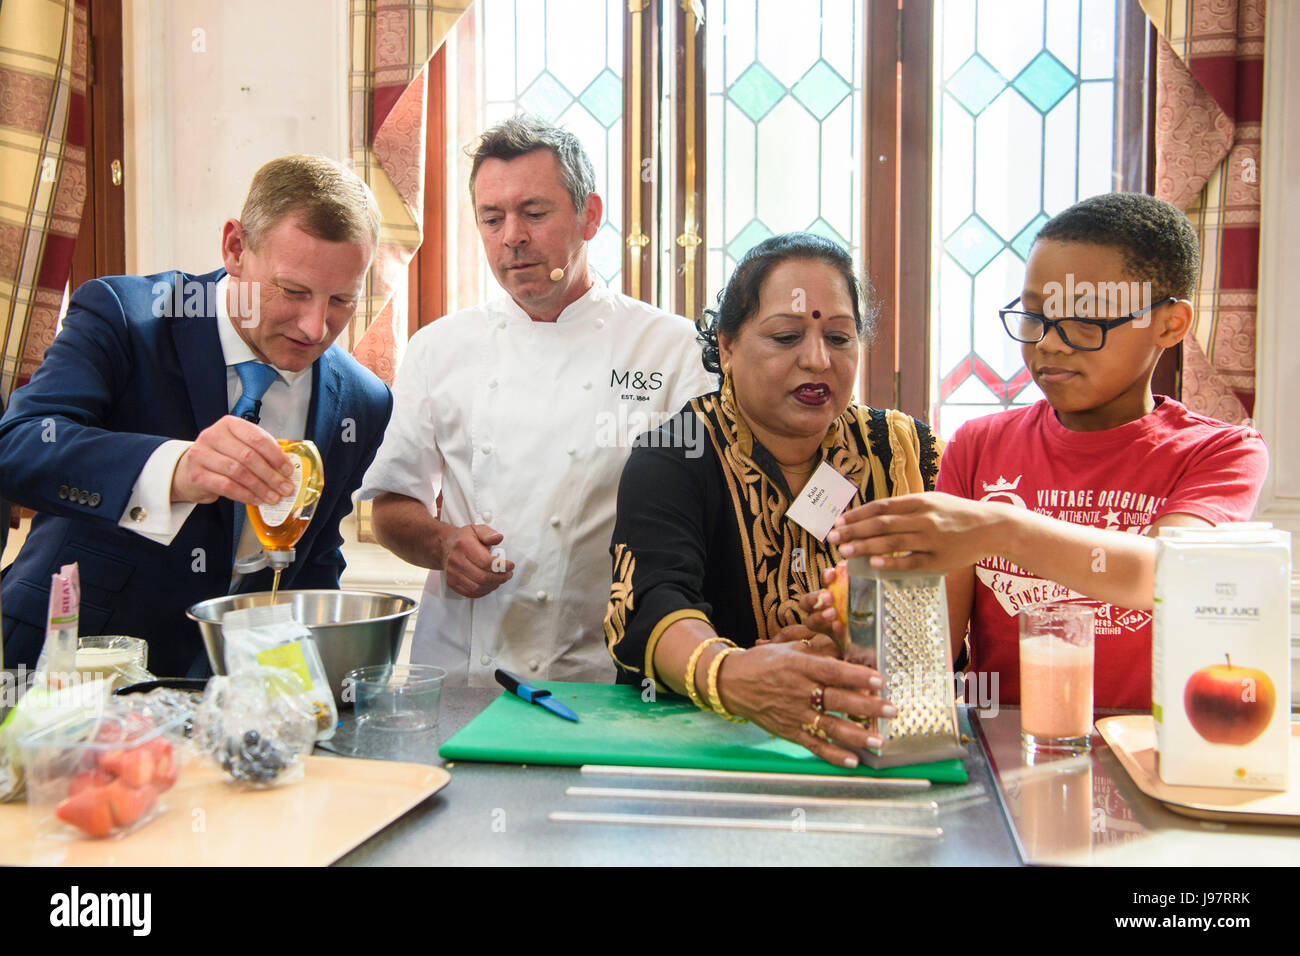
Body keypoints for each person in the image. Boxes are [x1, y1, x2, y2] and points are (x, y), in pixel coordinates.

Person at [817, 193, 1268, 709]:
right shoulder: (981, 445)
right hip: (1006, 751)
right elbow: (933, 648)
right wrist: (868, 629)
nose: (1049, 343)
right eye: (1034, 317)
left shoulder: (1220, 451)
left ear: (1170, 323)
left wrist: (1001, 529)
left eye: (1086, 320)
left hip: (1143, 758)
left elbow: (1170, 572)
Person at [0, 154, 393, 678]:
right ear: (235, 247)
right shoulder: (124, 315)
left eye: (343, 299)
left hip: (233, 699)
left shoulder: (364, 400)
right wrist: (176, 470)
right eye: (293, 291)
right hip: (64, 674)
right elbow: (20, 446)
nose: (314, 327)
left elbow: (315, 560)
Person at [359, 115, 714, 687]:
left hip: (600, 678)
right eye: (492, 218)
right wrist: (444, 544)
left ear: (589, 216)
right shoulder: (440, 348)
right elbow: (392, 509)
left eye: (534, 212)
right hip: (460, 675)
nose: (512, 237)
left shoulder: (670, 350)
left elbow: (704, 517)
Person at [604, 233, 943, 768]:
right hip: (716, 756)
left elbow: (952, 614)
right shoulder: (675, 455)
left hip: (882, 750)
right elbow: (650, 601)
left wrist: (848, 644)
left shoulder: (903, 453)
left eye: (840, 337)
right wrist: (729, 674)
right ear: (728, 346)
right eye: (786, 337)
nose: (817, 360)